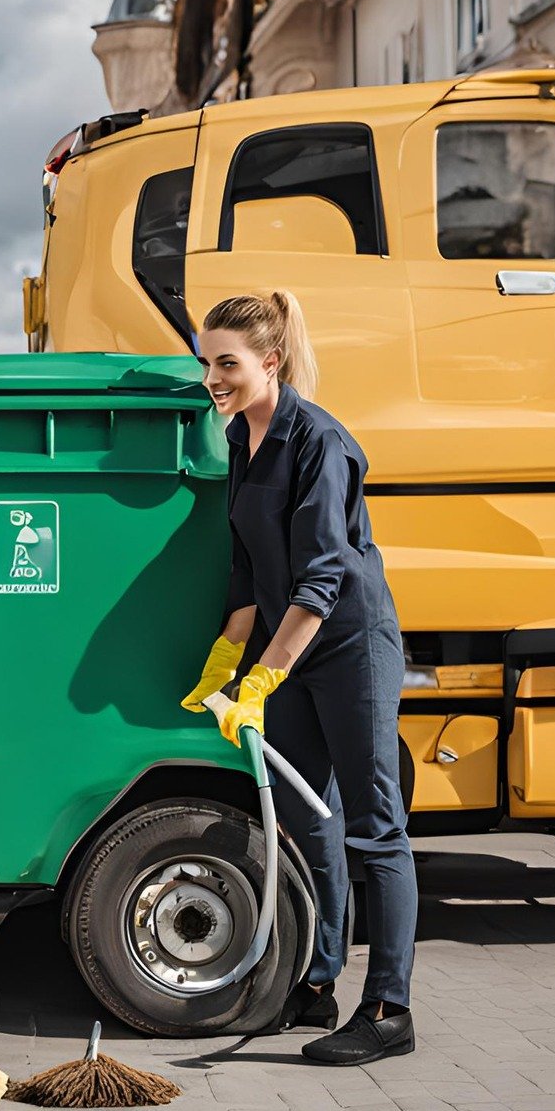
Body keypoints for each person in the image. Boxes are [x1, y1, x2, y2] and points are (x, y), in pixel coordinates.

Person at [182, 290, 417, 1065]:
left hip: (350, 648)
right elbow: (248, 571)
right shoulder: (241, 443)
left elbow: (322, 577)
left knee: (373, 830)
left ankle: (388, 1007)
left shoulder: (320, 441)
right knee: (304, 821)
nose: (212, 374)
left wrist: (263, 680)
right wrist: (227, 658)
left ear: (269, 361)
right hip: (288, 653)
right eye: (205, 358)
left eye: (227, 361)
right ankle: (315, 986)